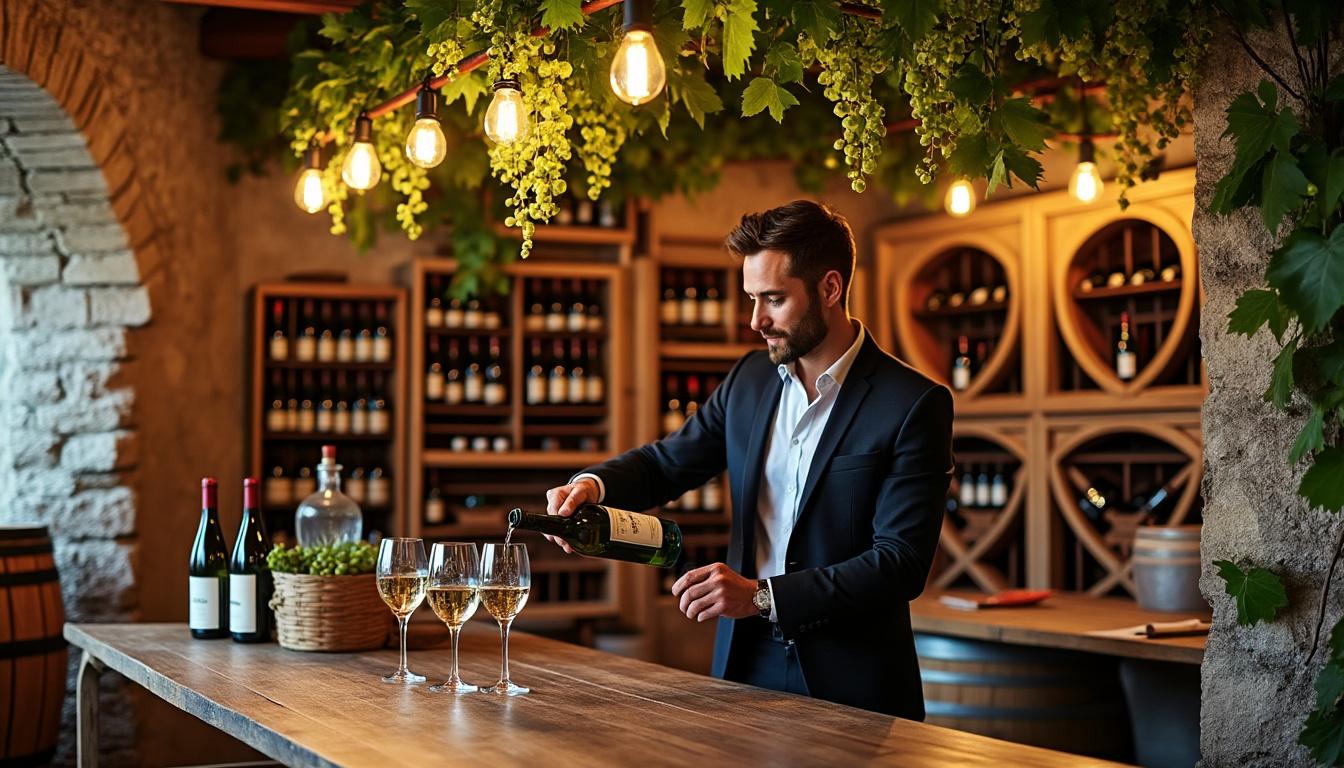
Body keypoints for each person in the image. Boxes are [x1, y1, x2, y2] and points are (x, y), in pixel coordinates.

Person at [543, 200, 953, 720]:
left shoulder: (913, 403)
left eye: (774, 299)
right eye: (752, 299)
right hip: (744, 661)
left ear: (830, 289)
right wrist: (591, 486)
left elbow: (900, 564)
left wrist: (762, 596)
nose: (756, 320)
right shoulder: (749, 380)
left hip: (855, 679)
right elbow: (666, 463)